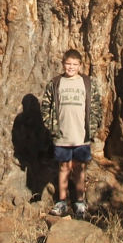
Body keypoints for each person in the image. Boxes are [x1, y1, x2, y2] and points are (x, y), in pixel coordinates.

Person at [41, 49, 102, 219]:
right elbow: (46, 106)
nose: (71, 67)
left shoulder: (87, 83)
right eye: (68, 64)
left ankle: (80, 202)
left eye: (75, 64)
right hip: (62, 135)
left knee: (80, 168)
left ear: (80, 65)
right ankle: (61, 201)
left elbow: (97, 106)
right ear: (63, 64)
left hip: (81, 134)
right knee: (63, 167)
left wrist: (93, 127)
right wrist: (51, 126)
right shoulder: (56, 83)